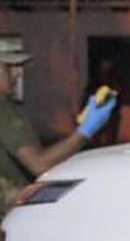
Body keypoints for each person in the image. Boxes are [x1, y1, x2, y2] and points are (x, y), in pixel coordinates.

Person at [0, 42, 116, 215]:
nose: (18, 73)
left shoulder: (10, 108)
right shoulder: (4, 110)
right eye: (10, 67)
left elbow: (48, 136)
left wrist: (80, 130)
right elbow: (39, 164)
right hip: (11, 214)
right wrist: (86, 130)